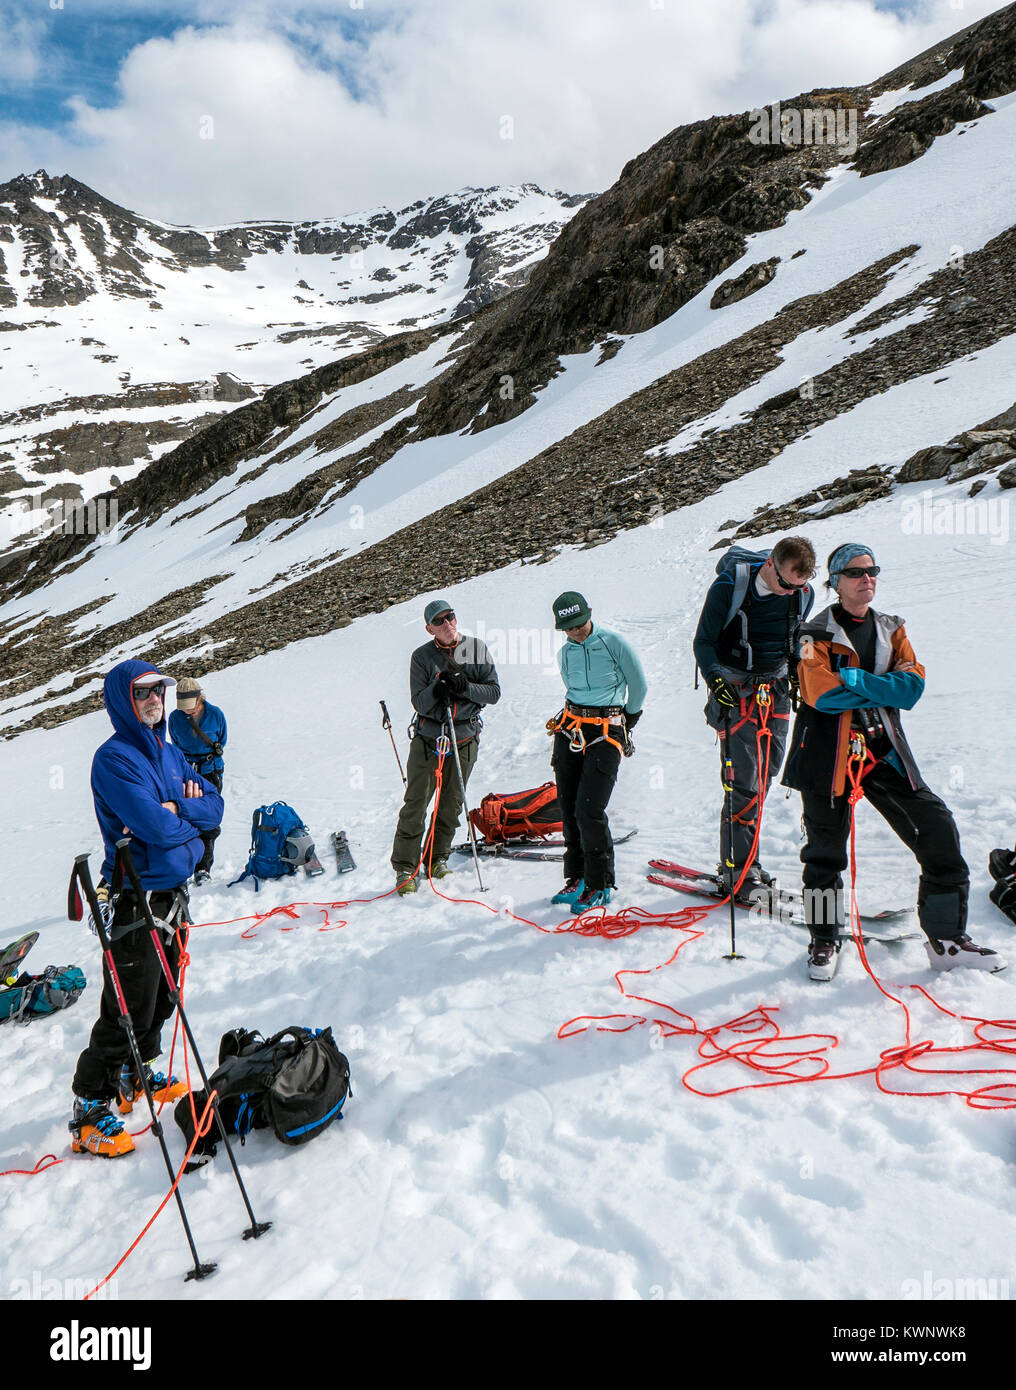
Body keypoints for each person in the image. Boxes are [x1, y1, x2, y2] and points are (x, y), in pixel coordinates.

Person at [782, 543, 1003, 982]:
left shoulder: (891, 627)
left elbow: (912, 689)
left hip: (883, 750)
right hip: (826, 754)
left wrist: (855, 678)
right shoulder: (813, 633)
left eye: (872, 571)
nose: (867, 578)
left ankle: (947, 940)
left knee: (936, 827)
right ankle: (823, 938)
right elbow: (820, 694)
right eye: (855, 572)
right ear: (836, 582)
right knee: (824, 856)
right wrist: (884, 684)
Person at [69, 660, 225, 1157]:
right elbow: (152, 829)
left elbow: (216, 806)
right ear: (122, 701)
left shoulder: (171, 751)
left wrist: (182, 814)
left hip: (173, 897)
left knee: (163, 997)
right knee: (127, 1008)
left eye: (159, 690)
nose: (155, 699)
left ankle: (137, 1075)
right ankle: (90, 1105)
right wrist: (186, 824)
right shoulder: (114, 760)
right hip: (135, 898)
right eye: (141, 694)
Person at [693, 537, 816, 897]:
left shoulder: (801, 593)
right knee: (743, 782)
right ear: (770, 565)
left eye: (798, 586)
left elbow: (801, 636)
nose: (788, 593)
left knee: (764, 779)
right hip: (735, 692)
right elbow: (703, 642)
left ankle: (750, 861)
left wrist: (802, 671)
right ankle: (738, 872)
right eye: (785, 584)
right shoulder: (730, 587)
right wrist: (715, 681)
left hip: (774, 689)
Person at [390, 599, 501, 894]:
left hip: (464, 738)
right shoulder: (422, 657)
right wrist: (437, 689)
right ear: (429, 629)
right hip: (429, 740)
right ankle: (405, 867)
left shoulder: (474, 649)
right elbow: (419, 702)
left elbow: (493, 692)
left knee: (451, 803)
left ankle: (436, 858)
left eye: (450, 617)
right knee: (416, 803)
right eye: (439, 621)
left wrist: (465, 687)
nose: (447, 624)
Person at [549, 590, 647, 914]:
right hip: (570, 727)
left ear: (589, 614)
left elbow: (639, 685)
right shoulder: (566, 653)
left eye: (580, 623)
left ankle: (600, 882)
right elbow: (570, 685)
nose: (577, 631)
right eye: (570, 627)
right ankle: (576, 877)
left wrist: (627, 720)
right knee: (567, 806)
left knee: (589, 808)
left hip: (606, 730)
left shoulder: (613, 642)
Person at [168, 676, 227, 884]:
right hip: (186, 772)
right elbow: (175, 744)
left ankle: (203, 867)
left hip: (210, 772)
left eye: (190, 707)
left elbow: (222, 740)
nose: (187, 712)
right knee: (187, 817)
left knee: (208, 818)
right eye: (183, 707)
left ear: (199, 698)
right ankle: (186, 864)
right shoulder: (175, 718)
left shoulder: (215, 714)